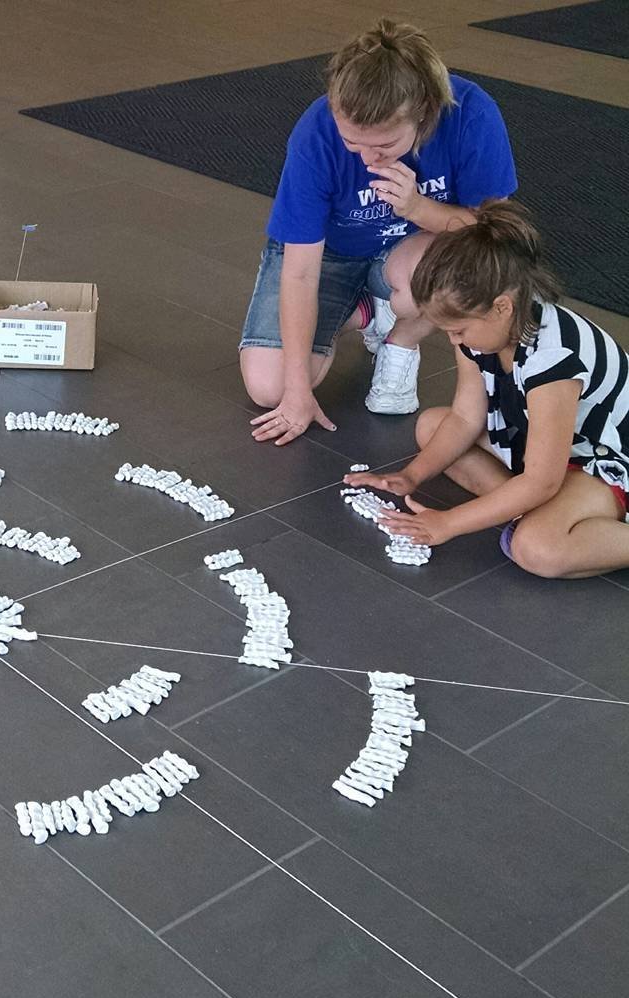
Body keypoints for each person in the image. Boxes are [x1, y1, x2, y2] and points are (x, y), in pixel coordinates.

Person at [242, 19, 517, 446]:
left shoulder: (471, 114)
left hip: (413, 248)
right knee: (269, 387)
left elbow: (500, 235)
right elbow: (299, 273)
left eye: (385, 146)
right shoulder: (315, 134)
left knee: (473, 268)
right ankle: (368, 310)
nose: (369, 158)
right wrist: (297, 394)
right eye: (353, 144)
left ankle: (402, 336)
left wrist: (418, 208)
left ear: (424, 112)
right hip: (330, 253)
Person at [344, 201, 629, 579]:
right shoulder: (480, 336)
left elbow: (544, 478)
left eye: (458, 330)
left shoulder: (553, 359)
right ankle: (530, 505)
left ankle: (542, 510)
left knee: (537, 548)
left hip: (603, 462)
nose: (453, 339)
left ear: (501, 308)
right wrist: (412, 476)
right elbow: (464, 418)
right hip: (548, 449)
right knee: (433, 427)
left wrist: (448, 523)